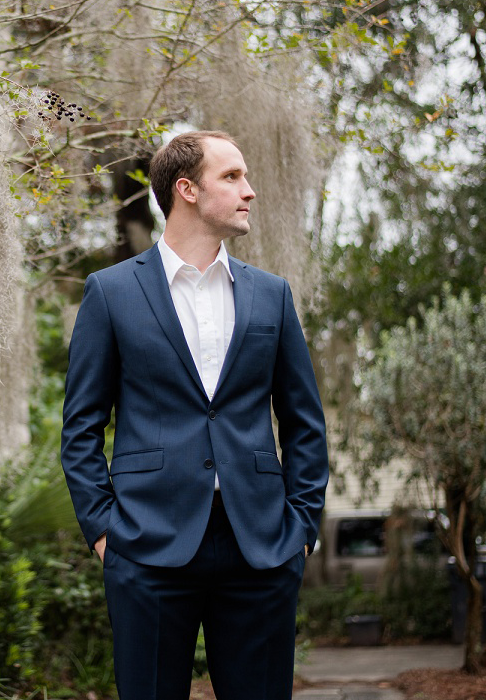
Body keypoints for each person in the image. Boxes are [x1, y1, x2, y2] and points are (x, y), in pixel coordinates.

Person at [60, 130, 328, 700]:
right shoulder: (111, 293)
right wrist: (105, 532)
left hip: (260, 546)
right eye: (232, 177)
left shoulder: (271, 295)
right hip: (146, 545)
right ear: (186, 189)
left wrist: (301, 528)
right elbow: (81, 427)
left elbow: (304, 422)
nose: (249, 191)